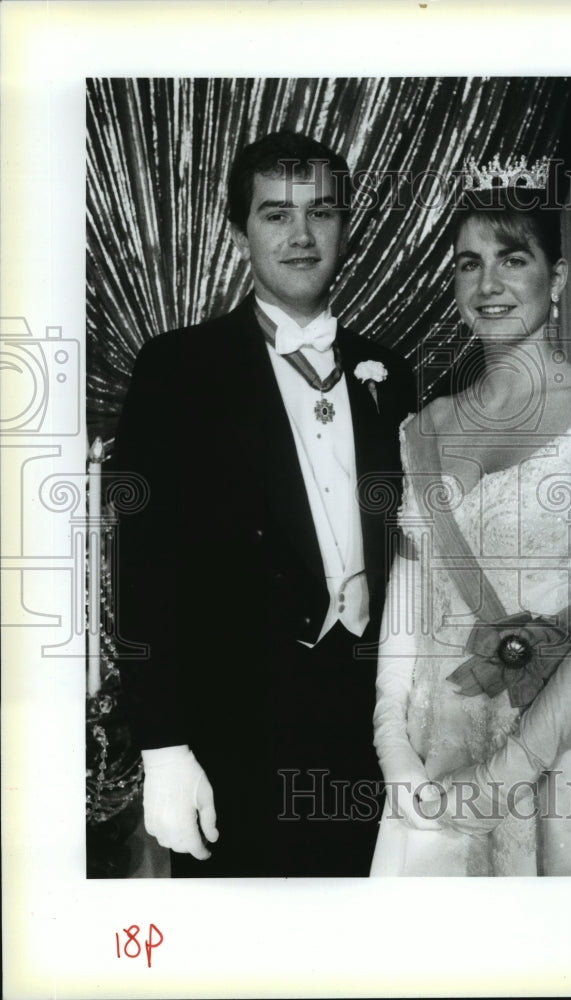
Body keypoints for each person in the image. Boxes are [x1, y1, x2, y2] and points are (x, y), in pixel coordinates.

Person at [371, 158, 571, 876]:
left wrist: (503, 779)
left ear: (559, 278)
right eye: (468, 264)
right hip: (438, 755)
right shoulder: (424, 428)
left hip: (569, 761)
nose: (488, 284)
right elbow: (408, 605)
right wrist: (392, 741)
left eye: (512, 259)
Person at [112, 131, 416, 877]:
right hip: (233, 735)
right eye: (276, 214)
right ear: (239, 227)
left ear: (347, 226)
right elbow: (143, 568)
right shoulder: (178, 368)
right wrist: (163, 748)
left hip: (369, 729)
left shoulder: (392, 373)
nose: (302, 235)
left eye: (321, 212)